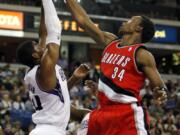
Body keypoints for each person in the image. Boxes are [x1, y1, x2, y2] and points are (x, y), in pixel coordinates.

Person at [65, 0, 168, 135]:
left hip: (126, 114)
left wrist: (160, 93)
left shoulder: (142, 54)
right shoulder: (110, 42)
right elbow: (84, 21)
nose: (126, 21)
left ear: (139, 28)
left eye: (131, 20)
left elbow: (160, 86)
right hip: (102, 112)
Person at [16, 1, 89, 135]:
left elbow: (43, 34)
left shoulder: (40, 72)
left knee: (90, 117)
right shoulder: (44, 69)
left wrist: (74, 79)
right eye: (37, 46)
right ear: (35, 54)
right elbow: (54, 30)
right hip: (49, 131)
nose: (41, 45)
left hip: (44, 130)